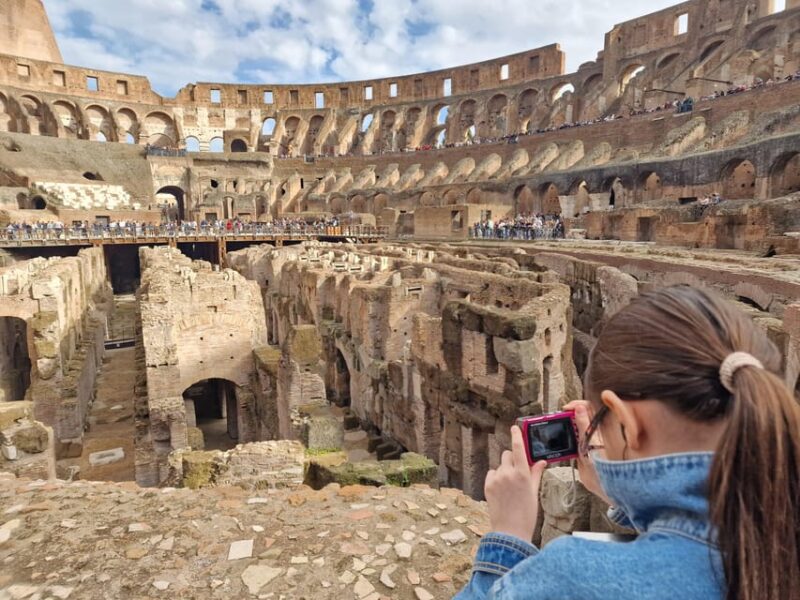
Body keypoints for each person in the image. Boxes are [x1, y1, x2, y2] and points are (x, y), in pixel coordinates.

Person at [456, 285, 800, 600]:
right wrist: (615, 489)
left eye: (603, 423)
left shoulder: (572, 576)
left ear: (628, 422)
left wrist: (509, 536)